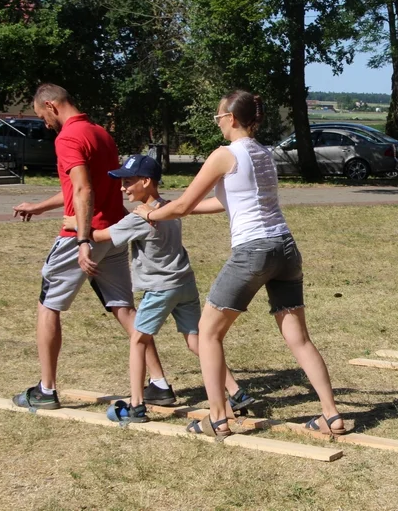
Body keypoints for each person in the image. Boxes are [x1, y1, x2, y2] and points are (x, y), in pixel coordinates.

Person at [133, 90, 344, 438]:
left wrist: (152, 212)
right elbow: (222, 204)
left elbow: (185, 204)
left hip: (253, 251)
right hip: (285, 248)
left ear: (231, 118)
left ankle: (217, 418)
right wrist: (167, 210)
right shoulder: (263, 153)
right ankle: (331, 415)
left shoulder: (223, 155)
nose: (216, 123)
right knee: (299, 338)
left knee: (208, 333)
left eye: (218, 117)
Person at [11, 84, 173, 410]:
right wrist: (40, 206)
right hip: (112, 235)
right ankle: (159, 384)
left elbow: (84, 191)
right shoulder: (100, 133)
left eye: (43, 115)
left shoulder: (68, 138)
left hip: (83, 237)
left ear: (52, 105)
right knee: (124, 309)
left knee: (48, 306)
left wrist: (83, 239)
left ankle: (46, 389)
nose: (44, 123)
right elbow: (83, 188)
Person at [62, 155, 254, 422]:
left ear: (146, 181)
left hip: (160, 288)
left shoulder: (141, 218)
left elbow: (102, 237)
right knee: (196, 340)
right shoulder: (171, 207)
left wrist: (79, 227)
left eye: (128, 182)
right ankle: (236, 392)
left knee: (138, 340)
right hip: (184, 283)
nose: (122, 188)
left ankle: (136, 406)